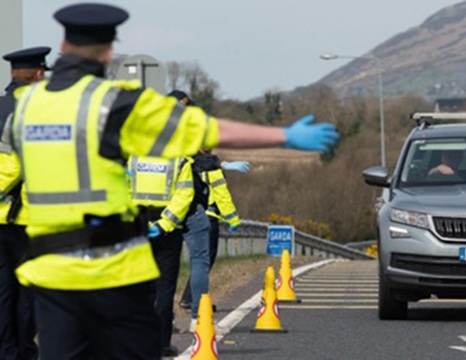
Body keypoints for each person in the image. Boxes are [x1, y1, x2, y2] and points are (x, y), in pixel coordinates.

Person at [7, 3, 339, 359]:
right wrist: (284, 136)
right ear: (108, 51)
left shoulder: (25, 107)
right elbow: (204, 130)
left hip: (50, 270)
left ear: (62, 44)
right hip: (112, 269)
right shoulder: (113, 103)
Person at [0, 46, 50, 360]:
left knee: (3, 290)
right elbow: (16, 165)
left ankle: (5, 351)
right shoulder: (38, 108)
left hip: (1, 217)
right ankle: (24, 350)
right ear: (39, 74)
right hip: (31, 216)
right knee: (29, 291)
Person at [127, 155, 195, 357]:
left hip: (135, 228)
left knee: (137, 287)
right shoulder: (180, 160)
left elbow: (119, 188)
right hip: (167, 232)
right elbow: (184, 195)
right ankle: (161, 343)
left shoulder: (132, 156)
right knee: (164, 289)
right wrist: (164, 224)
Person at [179, 152, 245, 317]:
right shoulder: (212, 167)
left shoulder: (185, 161)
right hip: (208, 217)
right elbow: (221, 194)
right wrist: (232, 218)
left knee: (196, 260)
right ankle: (194, 302)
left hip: (184, 214)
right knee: (203, 261)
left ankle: (189, 299)